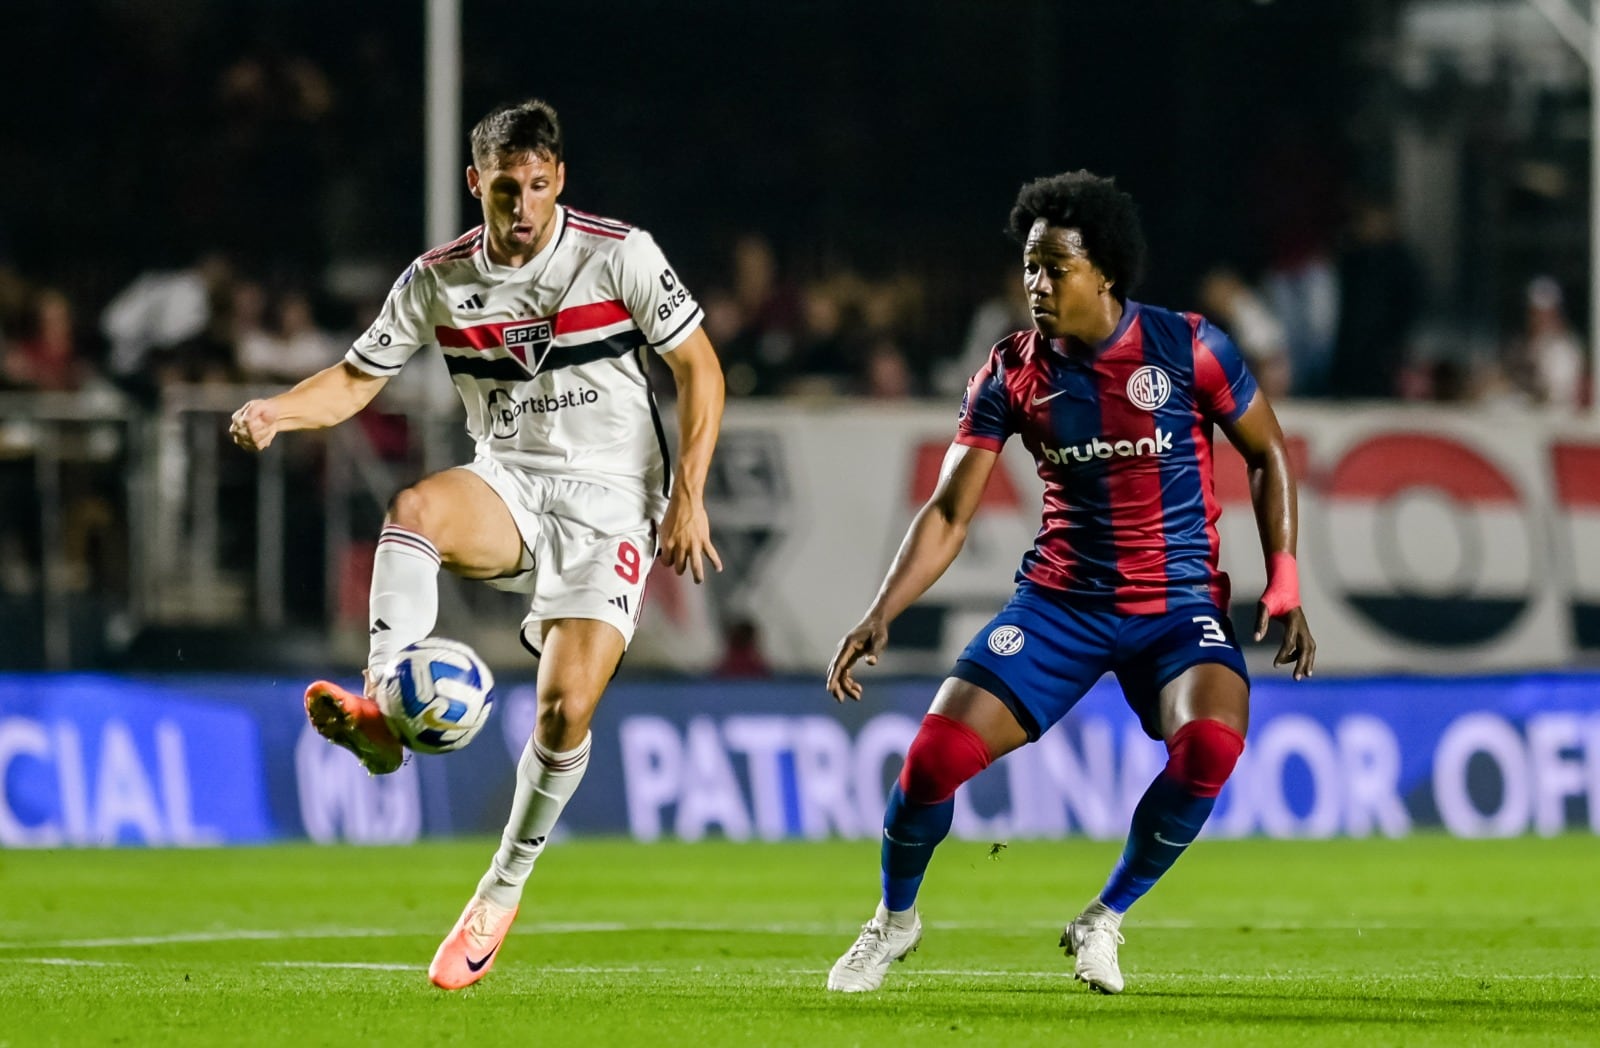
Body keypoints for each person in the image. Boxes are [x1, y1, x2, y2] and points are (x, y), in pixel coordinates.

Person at [229, 99, 725, 990]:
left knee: (564, 711)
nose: (523, 206)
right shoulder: (437, 279)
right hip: (512, 481)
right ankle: (383, 706)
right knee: (414, 507)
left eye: (538, 186)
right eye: (506, 190)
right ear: (477, 186)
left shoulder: (620, 254)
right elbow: (353, 379)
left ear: (560, 180)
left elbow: (700, 367)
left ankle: (498, 893)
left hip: (615, 504)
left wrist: (688, 497)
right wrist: (275, 411)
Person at [823, 171, 1314, 995]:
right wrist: (882, 611)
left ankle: (1104, 917)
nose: (1036, 284)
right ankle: (893, 922)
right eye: (1029, 266)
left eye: (1054, 267)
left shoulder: (1188, 346)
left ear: (1106, 273)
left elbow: (1267, 452)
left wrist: (1285, 578)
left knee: (1211, 748)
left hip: (1174, 608)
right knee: (932, 762)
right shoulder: (1010, 372)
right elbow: (948, 513)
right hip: (1059, 606)